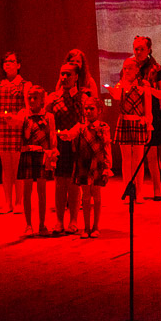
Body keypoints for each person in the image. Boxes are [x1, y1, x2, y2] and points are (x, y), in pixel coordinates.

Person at [62, 96, 113, 238]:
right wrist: (65, 135)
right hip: (83, 164)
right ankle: (86, 227)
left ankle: (96, 226)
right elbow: (70, 134)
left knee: (96, 195)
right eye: (86, 108)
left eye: (92, 108)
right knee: (85, 195)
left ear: (99, 110)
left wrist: (108, 166)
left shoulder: (103, 127)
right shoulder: (80, 127)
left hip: (98, 164)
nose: (88, 111)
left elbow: (107, 147)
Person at [0, 52, 30, 215]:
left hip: (18, 129)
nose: (8, 64)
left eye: (11, 61)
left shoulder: (25, 84)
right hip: (2, 129)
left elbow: (28, 108)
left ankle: (19, 202)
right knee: (6, 168)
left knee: (18, 167)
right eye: (5, 61)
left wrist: (19, 118)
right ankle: (7, 202)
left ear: (18, 65)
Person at [48, 63, 85, 235]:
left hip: (76, 144)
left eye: (68, 74)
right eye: (62, 74)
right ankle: (59, 220)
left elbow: (84, 121)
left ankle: (74, 220)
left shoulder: (82, 98)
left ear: (76, 77)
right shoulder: (53, 97)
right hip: (59, 145)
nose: (64, 77)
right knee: (59, 183)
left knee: (73, 184)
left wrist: (72, 132)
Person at [109, 57, 152, 202]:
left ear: (137, 69)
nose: (127, 71)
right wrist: (114, 91)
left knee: (138, 159)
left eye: (130, 68)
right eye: (125, 68)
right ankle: (127, 190)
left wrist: (148, 125)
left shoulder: (143, 84)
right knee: (126, 160)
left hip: (139, 122)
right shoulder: (121, 84)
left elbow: (148, 106)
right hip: (124, 122)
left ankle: (139, 191)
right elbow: (117, 97)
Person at [133, 36, 161, 200]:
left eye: (142, 49)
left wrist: (150, 89)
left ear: (149, 50)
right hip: (133, 114)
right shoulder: (129, 66)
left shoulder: (156, 69)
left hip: (151, 114)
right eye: (136, 48)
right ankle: (136, 190)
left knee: (152, 155)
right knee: (134, 156)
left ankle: (157, 189)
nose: (138, 52)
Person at [17, 86, 56, 236]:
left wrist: (52, 152)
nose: (32, 100)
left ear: (42, 100)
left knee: (42, 190)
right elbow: (17, 126)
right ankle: (28, 224)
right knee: (27, 190)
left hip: (42, 154)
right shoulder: (24, 115)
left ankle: (42, 224)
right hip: (27, 152)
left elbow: (52, 135)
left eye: (35, 98)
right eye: (30, 98)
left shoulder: (48, 116)